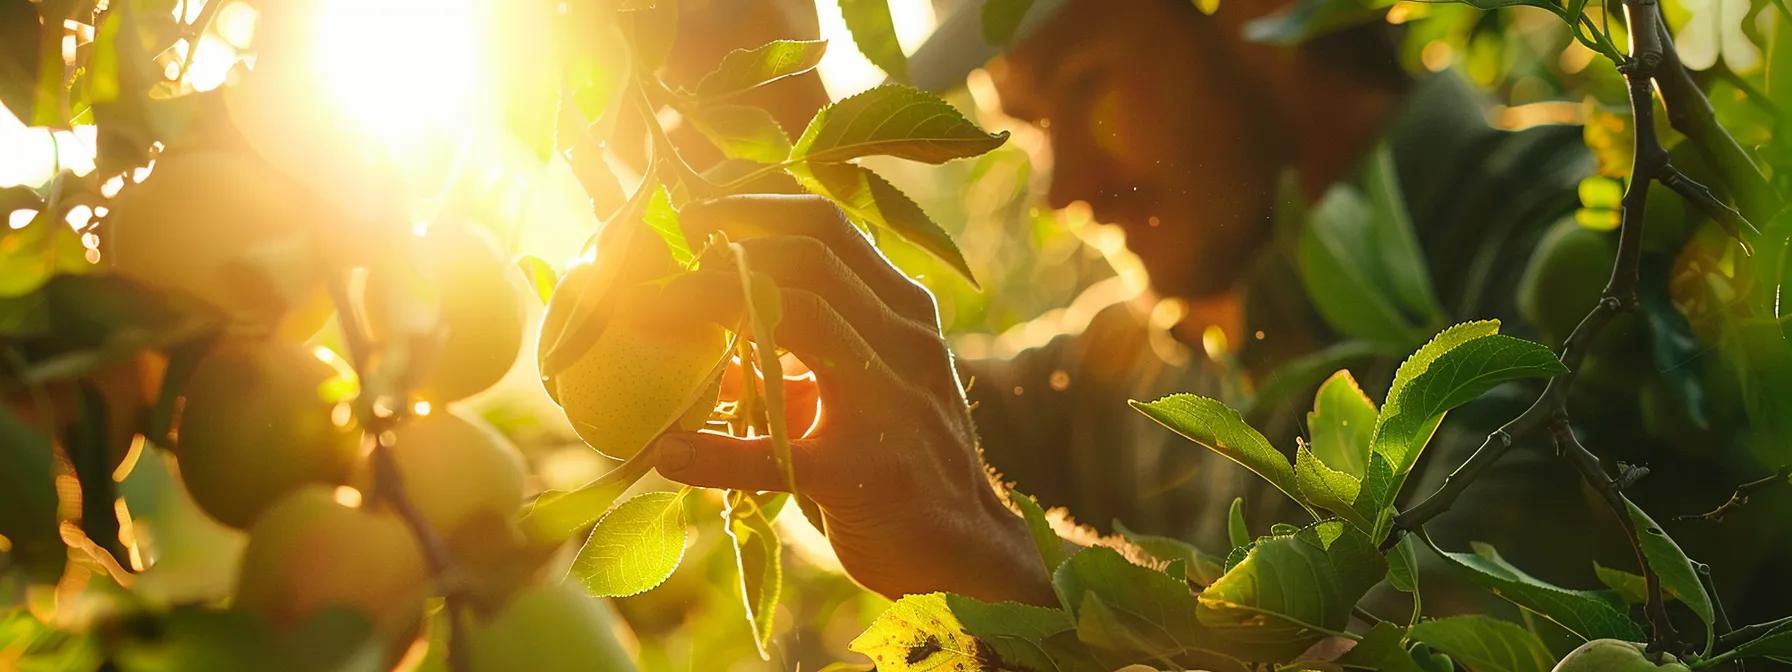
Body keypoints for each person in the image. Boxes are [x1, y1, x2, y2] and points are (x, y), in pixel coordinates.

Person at [648, 0, 1790, 621]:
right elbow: (918, 408)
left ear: (1249, 13)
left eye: (1087, 92)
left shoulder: (1588, 256)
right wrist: (733, 215)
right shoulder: (1143, 360)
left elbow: (1477, 642)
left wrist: (997, 557)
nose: (1062, 192)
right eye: (1032, 129)